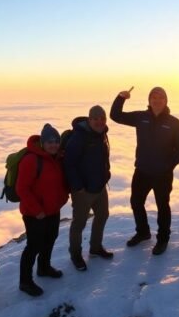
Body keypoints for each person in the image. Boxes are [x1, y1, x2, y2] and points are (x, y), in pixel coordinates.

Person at [110, 86, 179, 255]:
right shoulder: (141, 117)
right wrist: (120, 98)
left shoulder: (174, 123)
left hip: (163, 173)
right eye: (153, 97)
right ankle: (143, 232)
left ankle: (163, 238)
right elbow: (115, 116)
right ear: (149, 100)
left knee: (162, 206)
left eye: (160, 97)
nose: (157, 100)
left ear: (166, 101)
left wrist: (170, 164)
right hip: (142, 171)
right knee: (136, 202)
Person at [16, 124, 69, 296]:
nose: (53, 144)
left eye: (56, 141)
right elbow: (22, 189)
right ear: (43, 143)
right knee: (34, 245)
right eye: (50, 142)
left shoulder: (56, 158)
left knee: (50, 238)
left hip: (52, 210)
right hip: (34, 213)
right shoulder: (31, 160)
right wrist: (37, 210)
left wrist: (62, 199)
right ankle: (25, 281)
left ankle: (44, 267)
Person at [64, 105, 113, 271]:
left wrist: (106, 174)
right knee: (79, 224)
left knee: (103, 215)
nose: (99, 122)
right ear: (89, 119)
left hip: (99, 187)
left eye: (102, 118)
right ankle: (75, 254)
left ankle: (95, 247)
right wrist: (78, 187)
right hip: (83, 191)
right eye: (95, 119)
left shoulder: (101, 135)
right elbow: (69, 164)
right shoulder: (79, 137)